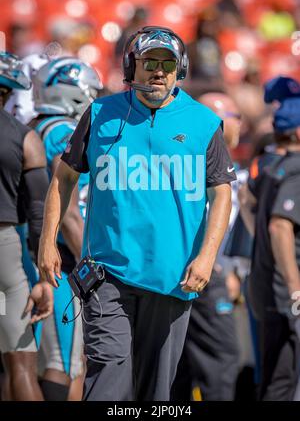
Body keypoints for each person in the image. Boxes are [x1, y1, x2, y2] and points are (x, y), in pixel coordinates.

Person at [38, 26, 236, 401]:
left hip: (173, 278)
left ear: (181, 70)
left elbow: (221, 194)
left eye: (167, 63)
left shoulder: (204, 123)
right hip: (107, 276)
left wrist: (207, 258)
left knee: (155, 394)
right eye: (149, 62)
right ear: (132, 66)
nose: (158, 71)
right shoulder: (99, 114)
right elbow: (63, 178)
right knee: (108, 381)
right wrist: (47, 242)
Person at [30, 56, 102, 401]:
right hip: (58, 262)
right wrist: (93, 266)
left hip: (32, 255)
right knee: (64, 363)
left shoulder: (36, 126)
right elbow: (70, 212)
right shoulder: (62, 133)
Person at [172, 92, 242, 401]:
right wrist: (214, 262)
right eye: (234, 117)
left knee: (180, 361)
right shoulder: (199, 160)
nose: (240, 124)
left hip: (199, 267)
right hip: (203, 269)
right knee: (221, 360)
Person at [240, 76, 300, 400]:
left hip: (263, 284)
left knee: (274, 377)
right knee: (282, 381)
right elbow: (280, 226)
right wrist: (295, 286)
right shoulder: (294, 168)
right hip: (285, 293)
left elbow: (246, 203)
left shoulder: (265, 165)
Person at [0, 51, 53, 400]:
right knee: (20, 365)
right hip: (4, 249)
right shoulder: (25, 137)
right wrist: (44, 278)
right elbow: (39, 215)